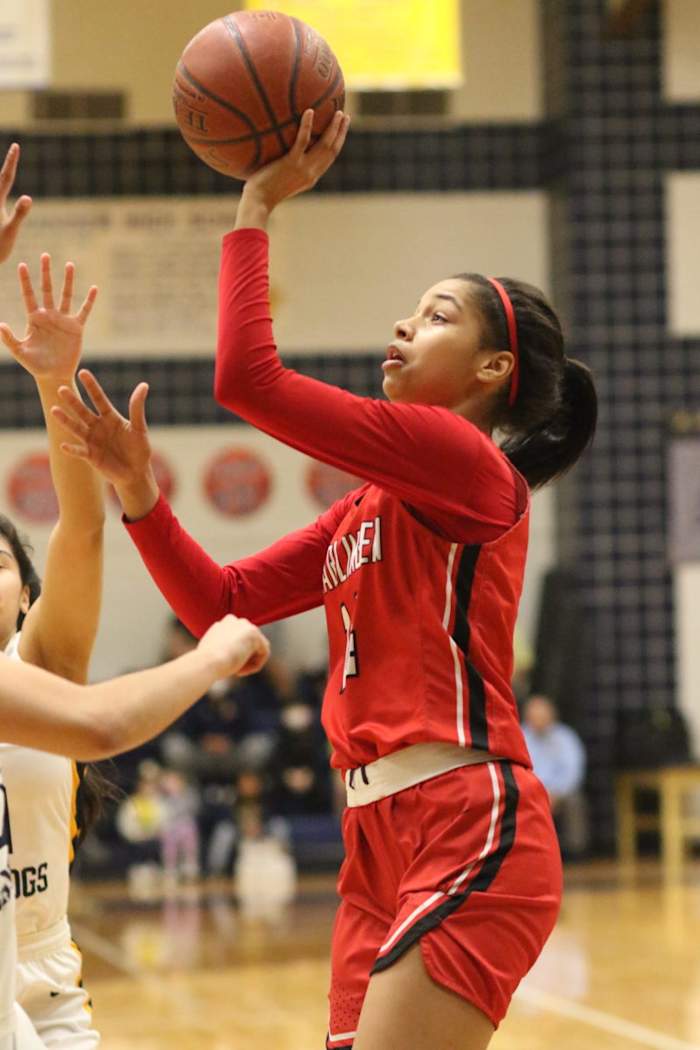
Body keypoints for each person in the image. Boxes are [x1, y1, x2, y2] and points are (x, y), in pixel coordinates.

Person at [54, 110, 598, 1050]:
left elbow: (248, 379)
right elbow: (217, 606)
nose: (404, 322)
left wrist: (256, 203)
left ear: (493, 368)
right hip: (373, 834)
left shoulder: (465, 461)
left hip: (466, 815)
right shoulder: (368, 511)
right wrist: (140, 491)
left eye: (437, 317)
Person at [521, 694, 589, 858]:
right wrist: (539, 792)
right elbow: (518, 769)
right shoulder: (519, 736)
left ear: (552, 715)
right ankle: (526, 852)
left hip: (561, 792)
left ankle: (575, 853)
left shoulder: (566, 737)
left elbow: (574, 771)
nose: (539, 720)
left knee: (575, 802)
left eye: (542, 715)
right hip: (530, 791)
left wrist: (557, 793)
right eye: (535, 716)